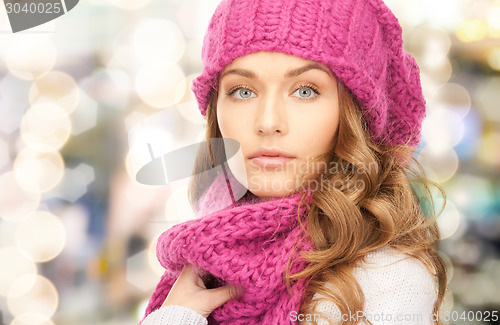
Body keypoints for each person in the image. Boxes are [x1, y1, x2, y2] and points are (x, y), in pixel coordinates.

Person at [140, 0, 448, 324]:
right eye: (243, 91)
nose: (269, 121)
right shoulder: (205, 258)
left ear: (354, 114)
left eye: (305, 91)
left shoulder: (385, 281)